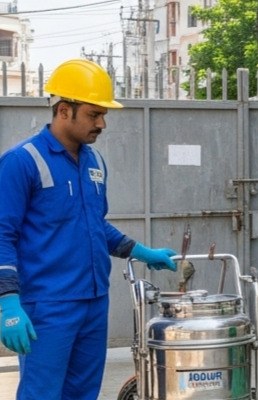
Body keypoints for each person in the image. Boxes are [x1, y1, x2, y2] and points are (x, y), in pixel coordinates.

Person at [0, 58, 178, 399]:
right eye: (94, 114)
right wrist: (8, 304)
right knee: (43, 394)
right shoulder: (22, 161)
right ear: (64, 109)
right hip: (48, 305)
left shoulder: (94, 162)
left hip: (94, 301)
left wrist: (141, 252)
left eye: (104, 115)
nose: (102, 124)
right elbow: (2, 234)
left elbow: (93, 226)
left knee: (83, 393)